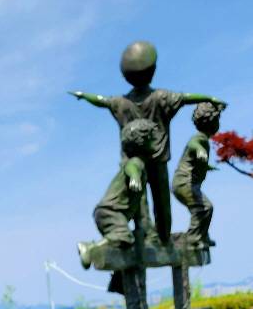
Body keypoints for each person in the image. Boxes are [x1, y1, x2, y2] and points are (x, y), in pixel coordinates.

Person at [70, 41, 226, 244]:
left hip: (132, 163)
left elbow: (102, 101)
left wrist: (84, 96)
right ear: (153, 71)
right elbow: (186, 98)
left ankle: (147, 236)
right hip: (157, 160)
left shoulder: (120, 103)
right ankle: (163, 239)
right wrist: (209, 98)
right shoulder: (161, 98)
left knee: (138, 203)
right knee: (162, 205)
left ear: (125, 76)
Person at [93, 118, 156, 247]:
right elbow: (131, 168)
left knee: (126, 244)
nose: (155, 141)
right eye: (152, 138)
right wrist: (134, 177)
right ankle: (90, 249)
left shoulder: (140, 166)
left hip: (110, 213)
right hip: (110, 211)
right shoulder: (136, 162)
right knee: (123, 236)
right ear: (143, 142)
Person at [172, 101, 224, 247]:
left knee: (200, 210)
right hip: (185, 183)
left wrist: (206, 166)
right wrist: (200, 150)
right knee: (205, 208)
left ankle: (201, 235)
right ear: (212, 122)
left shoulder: (203, 139)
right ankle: (193, 238)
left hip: (182, 183)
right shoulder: (200, 138)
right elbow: (192, 144)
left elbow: (194, 160)